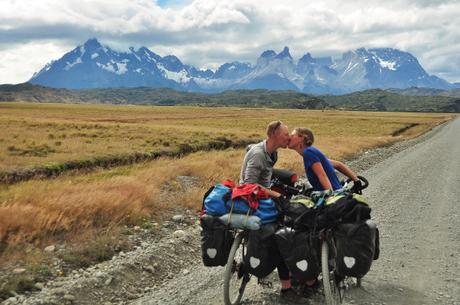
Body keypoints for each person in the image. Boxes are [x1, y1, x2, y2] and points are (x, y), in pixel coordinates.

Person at [240, 121, 307, 303]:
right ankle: (287, 287)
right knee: (283, 235)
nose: (289, 137)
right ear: (275, 135)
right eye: (286, 134)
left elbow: (266, 175)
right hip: (253, 199)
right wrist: (274, 194)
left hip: (263, 195)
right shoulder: (258, 154)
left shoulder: (272, 152)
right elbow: (248, 184)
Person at [288, 127, 360, 191]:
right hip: (337, 191)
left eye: (293, 135)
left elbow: (322, 175)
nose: (289, 137)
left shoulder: (308, 152)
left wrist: (331, 196)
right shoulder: (311, 151)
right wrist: (356, 180)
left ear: (302, 138)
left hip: (334, 194)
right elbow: (338, 165)